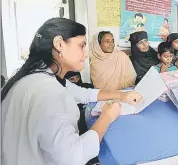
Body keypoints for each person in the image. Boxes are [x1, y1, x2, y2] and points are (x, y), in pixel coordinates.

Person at [1, 18, 142, 165]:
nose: (86, 54)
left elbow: (85, 93)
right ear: (59, 44)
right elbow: (74, 157)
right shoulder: (49, 93)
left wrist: (122, 94)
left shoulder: (40, 77)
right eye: (81, 46)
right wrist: (106, 117)